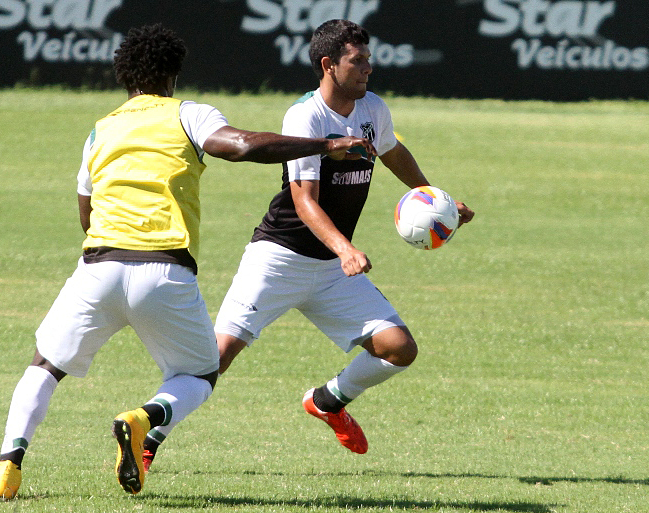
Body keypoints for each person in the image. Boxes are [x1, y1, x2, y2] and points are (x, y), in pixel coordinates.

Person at [0, 22, 377, 499]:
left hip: (98, 266)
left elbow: (86, 210)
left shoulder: (100, 129)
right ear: (172, 74)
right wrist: (324, 144)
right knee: (199, 374)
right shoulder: (188, 113)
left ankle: (8, 464)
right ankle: (144, 418)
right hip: (164, 272)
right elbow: (242, 146)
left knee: (45, 365)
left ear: (124, 77)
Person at [142, 19, 474, 466]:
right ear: (328, 64)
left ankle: (328, 401)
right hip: (278, 258)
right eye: (357, 62)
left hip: (331, 268)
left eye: (369, 60)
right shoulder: (306, 117)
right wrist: (347, 250)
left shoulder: (372, 108)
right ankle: (148, 439)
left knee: (399, 349)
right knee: (214, 360)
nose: (368, 69)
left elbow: (392, 151)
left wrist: (438, 200)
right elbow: (304, 201)